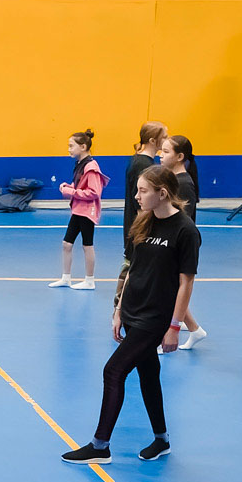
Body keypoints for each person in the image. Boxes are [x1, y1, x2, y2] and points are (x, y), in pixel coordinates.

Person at [63, 165, 199, 465]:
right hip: (133, 311)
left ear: (162, 193)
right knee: (148, 375)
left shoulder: (185, 230)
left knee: (113, 371)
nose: (136, 196)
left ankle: (100, 446)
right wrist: (118, 310)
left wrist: (175, 326)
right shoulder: (143, 221)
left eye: (143, 191)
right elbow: (132, 270)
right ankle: (162, 440)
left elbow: (186, 283)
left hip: (156, 317)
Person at [157, 134, 206, 350]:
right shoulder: (172, 180)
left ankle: (167, 336)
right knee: (169, 289)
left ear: (180, 157)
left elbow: (182, 219)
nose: (161, 155)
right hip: (170, 241)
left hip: (179, 245)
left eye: (166, 151)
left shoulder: (184, 184)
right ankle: (195, 329)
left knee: (169, 290)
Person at [49, 129, 109, 291]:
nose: (69, 149)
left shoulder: (91, 167)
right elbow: (80, 185)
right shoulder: (80, 164)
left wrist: (72, 192)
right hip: (78, 210)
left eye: (71, 146)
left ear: (83, 147)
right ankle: (66, 278)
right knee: (67, 244)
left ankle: (89, 280)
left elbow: (94, 192)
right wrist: (69, 187)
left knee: (87, 245)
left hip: (86, 212)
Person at [116, 122, 167, 303]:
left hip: (137, 225)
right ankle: (120, 304)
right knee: (133, 265)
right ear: (153, 140)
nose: (167, 140)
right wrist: (145, 231)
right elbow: (141, 204)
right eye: (164, 137)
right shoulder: (142, 165)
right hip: (139, 225)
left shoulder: (142, 161)